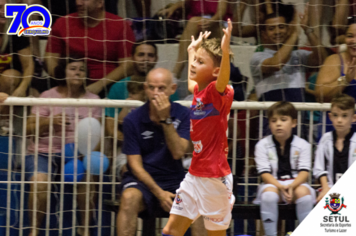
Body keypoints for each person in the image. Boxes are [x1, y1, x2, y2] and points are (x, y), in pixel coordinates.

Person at [162, 18, 235, 235]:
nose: (194, 65)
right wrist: (192, 52)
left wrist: (225, 48)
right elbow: (192, 81)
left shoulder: (217, 92)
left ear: (215, 71)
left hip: (214, 178)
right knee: (171, 230)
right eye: (196, 61)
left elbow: (223, 78)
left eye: (200, 62)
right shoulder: (199, 92)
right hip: (194, 175)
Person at [116, 68, 207, 236]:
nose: (155, 93)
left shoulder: (183, 113)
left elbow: (178, 153)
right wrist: (159, 193)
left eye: (161, 88)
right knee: (129, 198)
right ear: (145, 89)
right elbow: (135, 166)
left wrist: (166, 119)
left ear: (172, 89)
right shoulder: (132, 119)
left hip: (174, 176)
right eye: (151, 88)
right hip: (142, 180)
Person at [25, 57, 101, 236]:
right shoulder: (47, 96)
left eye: (82, 69)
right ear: (63, 72)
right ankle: (34, 231)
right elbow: (28, 129)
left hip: (77, 155)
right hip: (42, 153)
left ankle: (85, 229)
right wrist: (49, 121)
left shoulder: (94, 100)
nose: (77, 72)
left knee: (88, 179)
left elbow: (96, 134)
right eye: (73, 68)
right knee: (40, 181)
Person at [44, 0, 136, 97]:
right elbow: (50, 59)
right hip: (67, 83)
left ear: (99, 3)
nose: (78, 3)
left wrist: (99, 85)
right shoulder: (62, 23)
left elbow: (128, 65)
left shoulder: (120, 25)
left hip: (107, 86)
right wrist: (63, 82)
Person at [253, 101, 315, 236]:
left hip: (296, 184)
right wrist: (281, 187)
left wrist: (292, 186)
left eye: (283, 119)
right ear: (269, 124)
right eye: (274, 120)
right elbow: (265, 174)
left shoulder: (303, 145)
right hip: (272, 184)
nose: (278, 124)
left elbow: (304, 172)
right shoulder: (262, 145)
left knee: (304, 194)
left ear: (294, 123)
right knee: (269, 195)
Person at [158, 0, 233, 79]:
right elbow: (184, 2)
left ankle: (176, 72)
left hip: (218, 24)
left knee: (194, 22)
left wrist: (211, 21)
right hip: (199, 24)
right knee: (193, 24)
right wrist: (172, 8)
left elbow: (221, 12)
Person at [313, 94, 356, 203]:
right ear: (330, 117)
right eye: (336, 115)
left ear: (354, 118)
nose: (339, 120)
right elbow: (319, 168)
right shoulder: (325, 139)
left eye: (345, 116)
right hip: (330, 187)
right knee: (323, 199)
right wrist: (325, 188)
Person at [316, 16, 356, 103]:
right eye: (350, 36)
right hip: (336, 116)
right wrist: (345, 80)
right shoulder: (334, 60)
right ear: (344, 38)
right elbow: (320, 96)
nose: (354, 41)